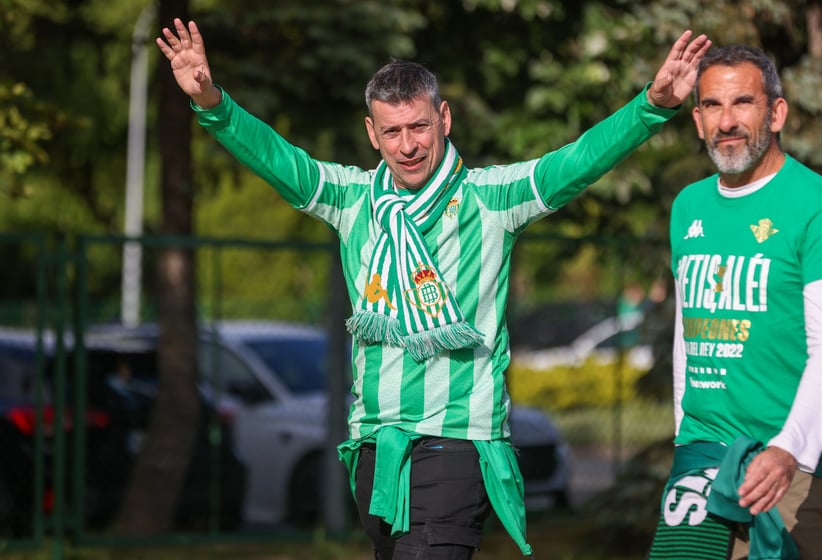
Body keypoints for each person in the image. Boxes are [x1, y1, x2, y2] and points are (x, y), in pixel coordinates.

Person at [156, 18, 710, 558]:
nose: (408, 145)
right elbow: (279, 160)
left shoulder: (491, 199)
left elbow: (578, 162)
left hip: (456, 442)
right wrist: (212, 102)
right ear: (372, 133)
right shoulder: (352, 201)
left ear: (443, 118)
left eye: (419, 126)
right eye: (392, 131)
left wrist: (651, 107)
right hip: (374, 443)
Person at [648, 45, 822, 560]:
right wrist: (682, 436)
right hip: (704, 456)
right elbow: (687, 333)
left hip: (797, 468)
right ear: (696, 119)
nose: (726, 121)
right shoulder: (688, 205)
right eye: (712, 105)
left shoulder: (820, 207)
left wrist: (788, 449)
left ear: (775, 113)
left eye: (743, 103)